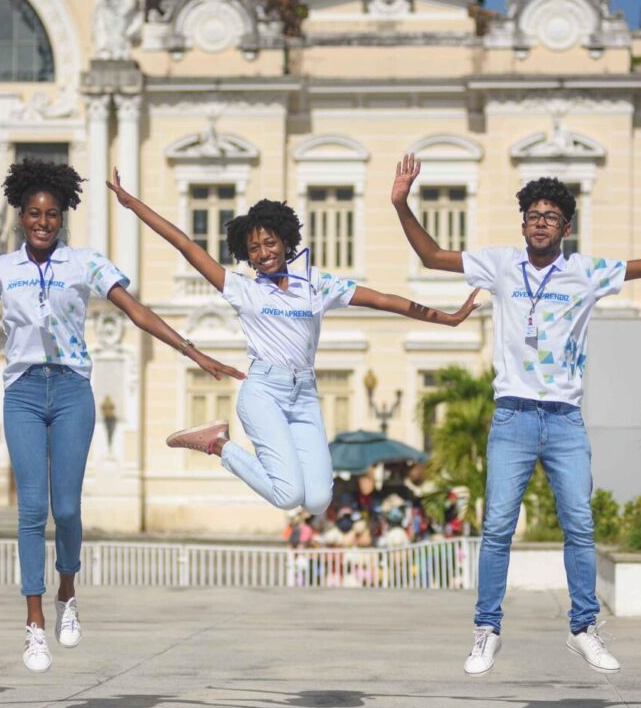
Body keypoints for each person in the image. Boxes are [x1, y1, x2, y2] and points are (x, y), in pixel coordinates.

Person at [0, 159, 243, 673]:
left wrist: (194, 352)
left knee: (65, 509)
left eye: (53, 214)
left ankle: (68, 593)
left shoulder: (85, 264)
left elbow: (137, 312)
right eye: (35, 214)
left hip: (71, 393)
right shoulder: (1, 270)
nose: (43, 222)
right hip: (22, 392)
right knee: (30, 511)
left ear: (63, 218)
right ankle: (34, 623)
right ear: (21, 216)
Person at [389, 152, 641, 676]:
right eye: (532, 215)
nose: (540, 223)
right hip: (512, 417)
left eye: (550, 216)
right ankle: (487, 630)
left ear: (566, 227)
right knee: (498, 526)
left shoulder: (585, 272)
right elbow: (433, 256)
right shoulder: (501, 264)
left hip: (564, 419)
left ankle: (583, 628)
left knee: (579, 523)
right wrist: (401, 204)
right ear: (523, 224)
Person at [106, 169, 479, 519]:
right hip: (264, 392)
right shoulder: (244, 290)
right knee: (287, 495)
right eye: (254, 248)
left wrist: (445, 318)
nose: (263, 252)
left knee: (316, 501)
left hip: (304, 395)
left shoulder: (316, 284)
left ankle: (223, 446)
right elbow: (185, 245)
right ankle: (218, 444)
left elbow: (383, 300)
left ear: (286, 242)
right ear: (246, 254)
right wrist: (133, 204)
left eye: (270, 243)